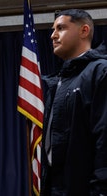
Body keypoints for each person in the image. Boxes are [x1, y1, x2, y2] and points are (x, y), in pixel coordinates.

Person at [41, 9, 107, 195]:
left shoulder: (100, 72)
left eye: (60, 28)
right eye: (53, 29)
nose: (53, 35)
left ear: (84, 31)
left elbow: (104, 135)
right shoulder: (59, 81)